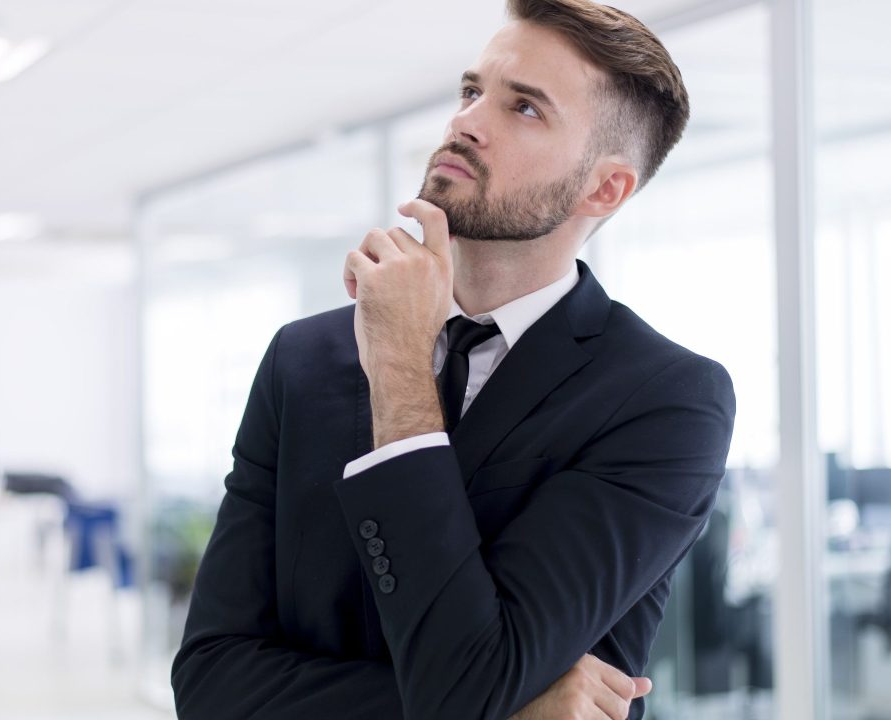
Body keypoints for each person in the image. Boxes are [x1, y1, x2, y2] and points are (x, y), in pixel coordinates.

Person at [171, 1, 737, 718]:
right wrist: (510, 708)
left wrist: (402, 365)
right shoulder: (302, 358)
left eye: (524, 109)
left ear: (605, 188)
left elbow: (468, 683)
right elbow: (210, 681)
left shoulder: (666, 401)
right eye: (473, 91)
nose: (465, 122)